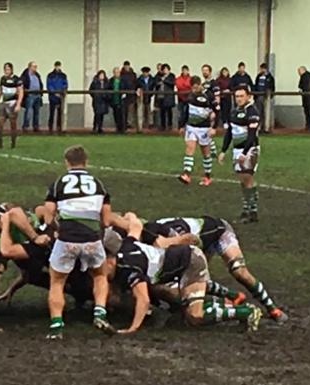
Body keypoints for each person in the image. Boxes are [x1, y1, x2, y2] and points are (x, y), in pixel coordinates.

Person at [103, 213, 263, 334]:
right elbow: (135, 225)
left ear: (110, 258)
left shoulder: (130, 266)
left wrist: (132, 329)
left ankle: (247, 312)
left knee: (195, 316)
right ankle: (227, 303)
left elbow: (143, 300)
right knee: (183, 306)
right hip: (180, 264)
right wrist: (126, 217)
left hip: (191, 262)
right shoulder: (127, 245)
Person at [143, 216, 288, 323]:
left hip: (219, 232)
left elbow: (192, 240)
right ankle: (233, 297)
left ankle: (272, 308)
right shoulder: (153, 234)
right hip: (197, 244)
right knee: (191, 280)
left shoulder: (172, 235)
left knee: (239, 271)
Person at [42, 145, 116, 339]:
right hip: (92, 238)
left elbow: (48, 214)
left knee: (57, 281)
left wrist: (57, 228)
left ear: (67, 162)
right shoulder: (99, 184)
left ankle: (57, 325)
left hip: (67, 237)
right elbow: (106, 220)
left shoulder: (58, 183)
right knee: (100, 275)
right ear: (86, 162)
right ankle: (100, 313)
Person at [218, 86, 261, 223]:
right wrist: (223, 150)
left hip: (250, 149)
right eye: (237, 96)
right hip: (237, 149)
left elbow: (252, 135)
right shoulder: (234, 112)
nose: (239, 99)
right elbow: (229, 133)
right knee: (243, 180)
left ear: (248, 96)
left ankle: (247, 210)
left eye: (242, 96)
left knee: (247, 177)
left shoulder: (252, 112)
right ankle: (252, 207)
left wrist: (244, 152)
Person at [178, 76, 217, 186]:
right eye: (193, 88)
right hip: (191, 127)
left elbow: (217, 110)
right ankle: (186, 174)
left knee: (205, 153)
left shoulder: (208, 95)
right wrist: (181, 125)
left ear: (200, 85)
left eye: (196, 87)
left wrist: (213, 127)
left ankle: (207, 176)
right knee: (189, 148)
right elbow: (186, 111)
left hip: (204, 128)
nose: (194, 90)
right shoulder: (190, 96)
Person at [0, 62, 23, 149]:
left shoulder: (16, 79)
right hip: (4, 103)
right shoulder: (2, 79)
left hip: (13, 103)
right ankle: (0, 143)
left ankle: (13, 143)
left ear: (11, 70)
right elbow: (1, 91)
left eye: (8, 69)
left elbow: (21, 92)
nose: (6, 71)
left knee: (12, 123)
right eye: (5, 69)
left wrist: (18, 104)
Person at [20, 61, 43, 132]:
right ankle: (25, 126)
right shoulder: (25, 75)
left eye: (36, 67)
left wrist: (41, 92)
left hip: (38, 95)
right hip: (30, 95)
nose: (35, 68)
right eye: (34, 66)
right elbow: (21, 84)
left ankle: (36, 126)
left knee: (37, 112)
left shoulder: (37, 75)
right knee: (28, 111)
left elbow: (40, 84)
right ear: (29, 67)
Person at [46, 61, 68, 134]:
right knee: (51, 112)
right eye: (57, 66)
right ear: (54, 66)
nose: (58, 67)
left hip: (61, 97)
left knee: (60, 113)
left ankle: (59, 126)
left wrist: (62, 92)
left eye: (59, 66)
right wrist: (54, 93)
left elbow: (65, 84)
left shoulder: (63, 75)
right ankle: (50, 126)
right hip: (52, 96)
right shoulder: (50, 75)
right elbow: (49, 85)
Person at [254, 63, 275, 133]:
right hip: (258, 96)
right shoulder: (258, 76)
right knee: (259, 112)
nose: (262, 70)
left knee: (266, 112)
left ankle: (266, 128)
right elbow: (255, 86)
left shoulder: (270, 77)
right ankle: (259, 127)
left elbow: (272, 87)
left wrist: (270, 95)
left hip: (266, 97)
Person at [156, 64, 176, 131]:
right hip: (161, 96)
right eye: (163, 69)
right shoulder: (159, 76)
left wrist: (164, 81)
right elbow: (155, 83)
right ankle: (163, 125)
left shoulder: (171, 76)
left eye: (166, 69)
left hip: (169, 96)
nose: (165, 70)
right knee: (162, 112)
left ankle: (170, 125)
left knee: (169, 111)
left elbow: (172, 83)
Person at [89, 70, 109, 134]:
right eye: (100, 75)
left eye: (103, 75)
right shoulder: (94, 82)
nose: (102, 76)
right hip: (97, 101)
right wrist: (95, 96)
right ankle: (95, 127)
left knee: (102, 115)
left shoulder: (106, 82)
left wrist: (106, 96)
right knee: (97, 114)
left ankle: (100, 127)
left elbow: (109, 90)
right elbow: (91, 90)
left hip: (104, 101)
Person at [120, 61, 137, 131]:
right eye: (125, 66)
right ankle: (124, 124)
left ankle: (130, 124)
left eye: (128, 66)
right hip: (124, 95)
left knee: (131, 110)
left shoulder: (133, 74)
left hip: (131, 95)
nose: (127, 67)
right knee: (124, 110)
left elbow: (135, 83)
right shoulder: (121, 74)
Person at [108, 67, 125, 133]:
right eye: (115, 72)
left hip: (121, 100)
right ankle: (117, 128)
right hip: (114, 100)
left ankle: (122, 129)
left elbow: (126, 87)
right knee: (116, 115)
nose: (116, 74)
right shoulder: (111, 80)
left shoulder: (123, 80)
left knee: (122, 115)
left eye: (118, 72)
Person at [298, 66, 310, 131]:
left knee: (308, 111)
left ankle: (309, 125)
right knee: (308, 111)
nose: (298, 72)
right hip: (308, 97)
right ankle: (309, 125)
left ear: (303, 70)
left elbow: (301, 87)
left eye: (299, 71)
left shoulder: (305, 76)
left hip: (307, 97)